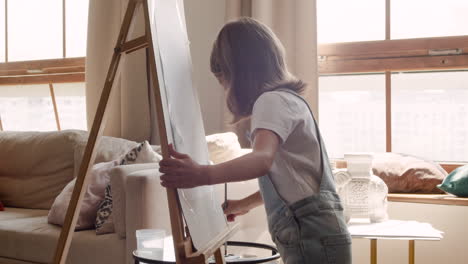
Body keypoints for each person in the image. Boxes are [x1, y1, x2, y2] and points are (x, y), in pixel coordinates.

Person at [159, 17, 352, 264]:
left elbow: (261, 159)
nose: (225, 90)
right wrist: (244, 204)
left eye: (223, 80)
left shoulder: (270, 101)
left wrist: (202, 174)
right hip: (322, 231)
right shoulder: (290, 101)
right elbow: (293, 182)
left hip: (309, 235)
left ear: (239, 73)